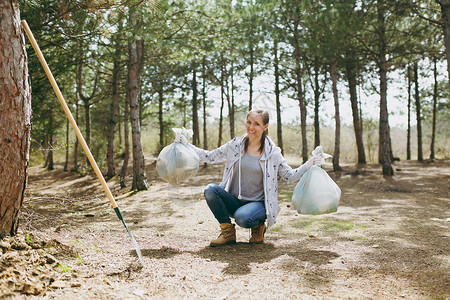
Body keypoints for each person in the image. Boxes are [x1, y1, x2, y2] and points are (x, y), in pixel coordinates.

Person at [175, 109, 322, 246]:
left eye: (257, 124)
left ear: (265, 127)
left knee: (242, 218)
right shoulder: (235, 145)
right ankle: (228, 233)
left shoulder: (273, 154)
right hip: (234, 201)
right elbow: (209, 156)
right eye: (249, 122)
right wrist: (186, 144)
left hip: (257, 205)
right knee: (210, 190)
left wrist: (309, 164)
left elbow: (289, 176)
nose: (251, 127)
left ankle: (258, 226)